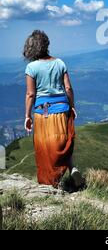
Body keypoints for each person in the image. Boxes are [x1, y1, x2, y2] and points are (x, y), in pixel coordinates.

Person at [23, 30, 84, 189]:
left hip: (43, 113)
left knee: (45, 148)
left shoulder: (31, 67)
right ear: (46, 44)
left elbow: (30, 94)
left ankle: (49, 183)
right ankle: (72, 168)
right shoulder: (60, 63)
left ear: (31, 48)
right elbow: (69, 88)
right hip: (62, 109)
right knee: (63, 143)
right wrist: (72, 106)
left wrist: (27, 116)